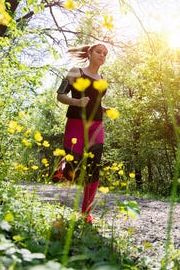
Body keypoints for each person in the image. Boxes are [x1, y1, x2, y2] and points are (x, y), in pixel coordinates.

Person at [55, 43, 109, 223]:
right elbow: (60, 95)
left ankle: (86, 213)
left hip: (97, 125)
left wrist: (104, 108)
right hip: (76, 122)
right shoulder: (75, 72)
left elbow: (96, 102)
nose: (102, 55)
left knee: (94, 167)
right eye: (99, 52)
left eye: (105, 53)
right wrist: (77, 102)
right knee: (73, 168)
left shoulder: (103, 79)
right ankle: (64, 165)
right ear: (89, 53)